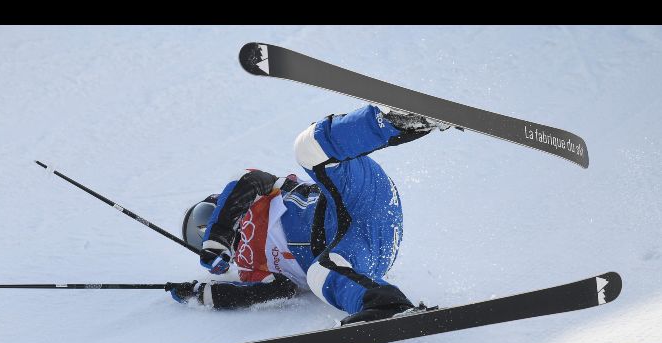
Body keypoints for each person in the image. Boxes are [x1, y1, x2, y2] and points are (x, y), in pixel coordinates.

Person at [167, 104, 455, 325]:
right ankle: (387, 306)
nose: (206, 234)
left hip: (354, 195)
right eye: (200, 238)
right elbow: (272, 292)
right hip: (365, 250)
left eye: (208, 219)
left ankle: (396, 120)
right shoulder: (252, 268)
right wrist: (202, 294)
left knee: (307, 147)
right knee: (319, 276)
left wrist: (218, 238)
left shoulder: (257, 194)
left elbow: (249, 180)